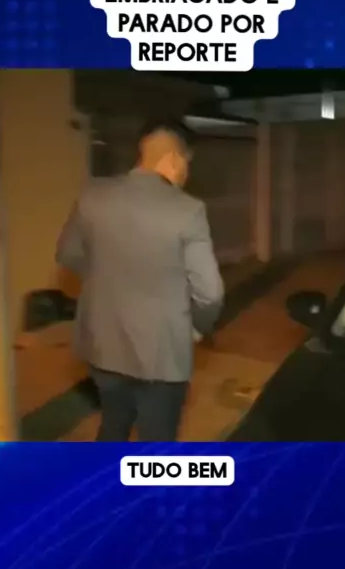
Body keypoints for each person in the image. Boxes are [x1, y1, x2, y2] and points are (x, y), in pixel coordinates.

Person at [55, 118, 224, 441]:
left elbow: (67, 254)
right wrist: (196, 328)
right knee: (157, 441)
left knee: (113, 422)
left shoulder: (93, 196)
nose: (186, 174)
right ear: (175, 159)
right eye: (186, 164)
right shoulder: (188, 210)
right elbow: (210, 292)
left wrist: (108, 280)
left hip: (103, 343)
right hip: (161, 354)